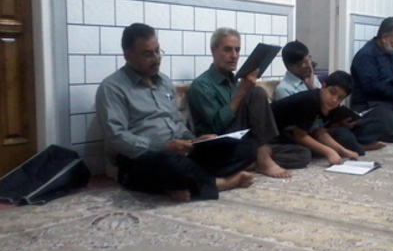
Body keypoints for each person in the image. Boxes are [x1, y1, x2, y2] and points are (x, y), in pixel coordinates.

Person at [95, 23, 255, 202]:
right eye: (147, 54)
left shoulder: (164, 82)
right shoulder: (112, 87)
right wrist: (163, 147)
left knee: (245, 148)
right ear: (128, 55)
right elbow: (116, 137)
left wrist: (194, 141)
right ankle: (220, 183)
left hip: (179, 153)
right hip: (142, 157)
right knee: (169, 164)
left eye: (157, 51)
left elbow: (177, 123)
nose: (156, 58)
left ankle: (177, 185)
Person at [188, 28, 311, 179]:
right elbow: (217, 126)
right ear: (213, 50)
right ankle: (262, 158)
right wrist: (243, 90)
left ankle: (253, 160)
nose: (234, 56)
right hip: (220, 144)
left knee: (303, 154)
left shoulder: (234, 81)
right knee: (256, 92)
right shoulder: (202, 85)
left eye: (237, 50)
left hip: (245, 142)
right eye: (227, 50)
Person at [274, 40, 386, 155]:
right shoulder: (284, 88)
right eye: (303, 63)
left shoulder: (312, 79)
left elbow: (321, 109)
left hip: (320, 126)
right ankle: (357, 146)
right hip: (303, 131)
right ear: (290, 66)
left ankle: (353, 145)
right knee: (341, 135)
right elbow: (302, 124)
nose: (308, 66)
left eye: (309, 60)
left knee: (376, 124)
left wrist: (337, 122)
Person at [271, 71, 360, 165]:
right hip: (270, 133)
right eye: (332, 92)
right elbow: (299, 136)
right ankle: (264, 156)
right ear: (323, 87)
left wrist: (343, 151)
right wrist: (329, 152)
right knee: (304, 155)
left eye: (340, 98)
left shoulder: (331, 107)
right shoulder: (311, 101)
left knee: (338, 137)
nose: (334, 100)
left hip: (289, 132)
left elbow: (319, 132)